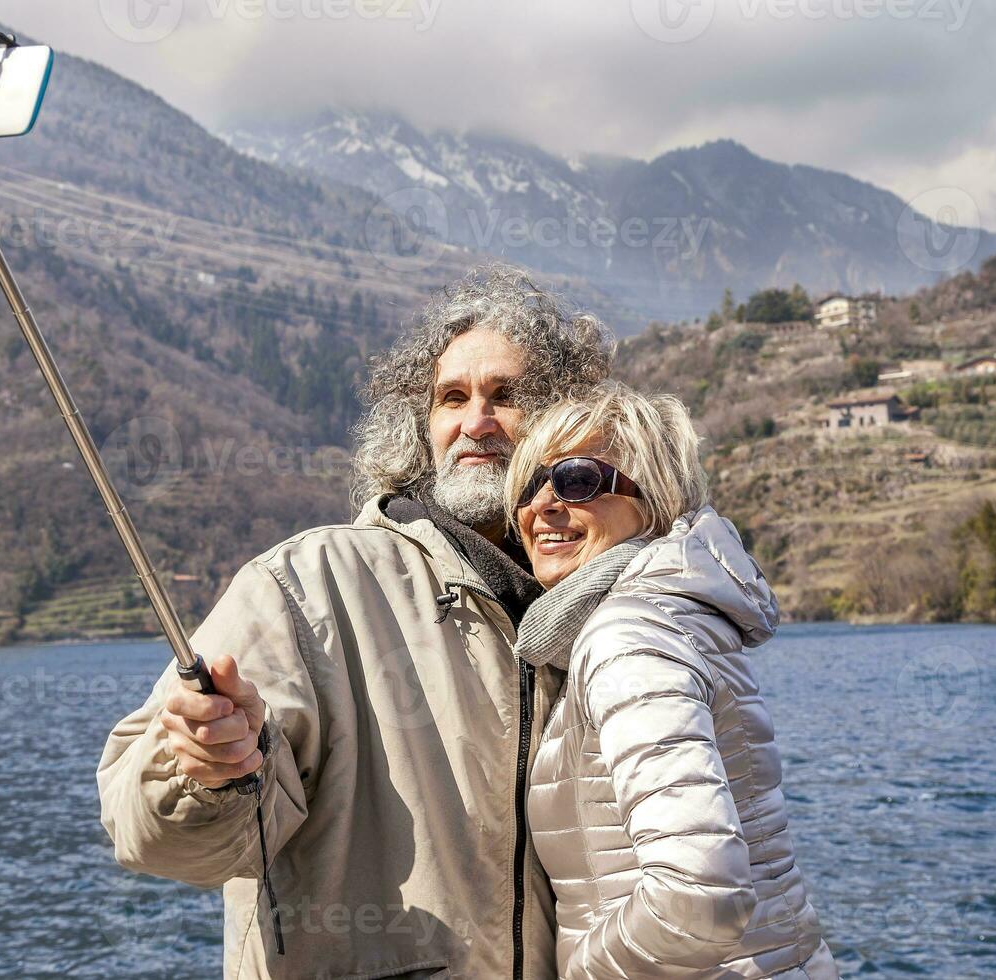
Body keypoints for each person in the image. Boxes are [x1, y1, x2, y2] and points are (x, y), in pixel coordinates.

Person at [97, 265, 613, 978]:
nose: (475, 422)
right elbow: (155, 839)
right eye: (451, 398)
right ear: (420, 425)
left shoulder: (610, 601)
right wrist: (206, 769)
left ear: (570, 422)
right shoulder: (307, 586)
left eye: (508, 397)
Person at [504, 381, 838, 979]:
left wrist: (583, 972)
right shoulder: (673, 614)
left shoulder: (626, 634)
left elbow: (702, 893)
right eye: (531, 484)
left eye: (578, 479)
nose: (543, 504)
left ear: (653, 502)